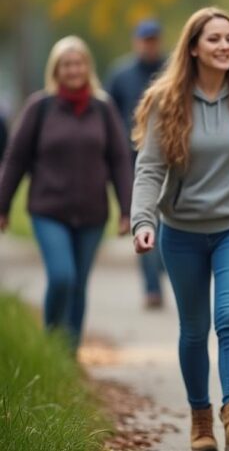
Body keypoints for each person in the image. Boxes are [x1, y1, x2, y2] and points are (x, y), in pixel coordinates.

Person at [131, 7, 229, 451]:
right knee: (194, 330)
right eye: (213, 39)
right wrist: (142, 220)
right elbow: (150, 168)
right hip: (182, 233)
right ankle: (200, 421)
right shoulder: (166, 101)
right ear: (193, 47)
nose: (224, 47)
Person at [0, 36, 132, 354]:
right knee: (62, 277)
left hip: (92, 213)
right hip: (49, 210)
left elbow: (119, 159)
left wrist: (127, 210)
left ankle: (68, 356)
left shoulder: (103, 109)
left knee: (79, 285)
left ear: (88, 67)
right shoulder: (40, 107)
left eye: (79, 63)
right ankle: (50, 342)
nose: (73, 69)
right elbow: (16, 158)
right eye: (66, 64)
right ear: (56, 70)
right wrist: (2, 205)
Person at [107, 19, 168, 310]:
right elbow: (108, 114)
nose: (149, 44)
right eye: (144, 39)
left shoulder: (171, 70)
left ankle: (162, 268)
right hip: (131, 162)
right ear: (136, 41)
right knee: (146, 220)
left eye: (153, 39)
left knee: (167, 221)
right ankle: (152, 288)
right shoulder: (121, 75)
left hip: (171, 158)